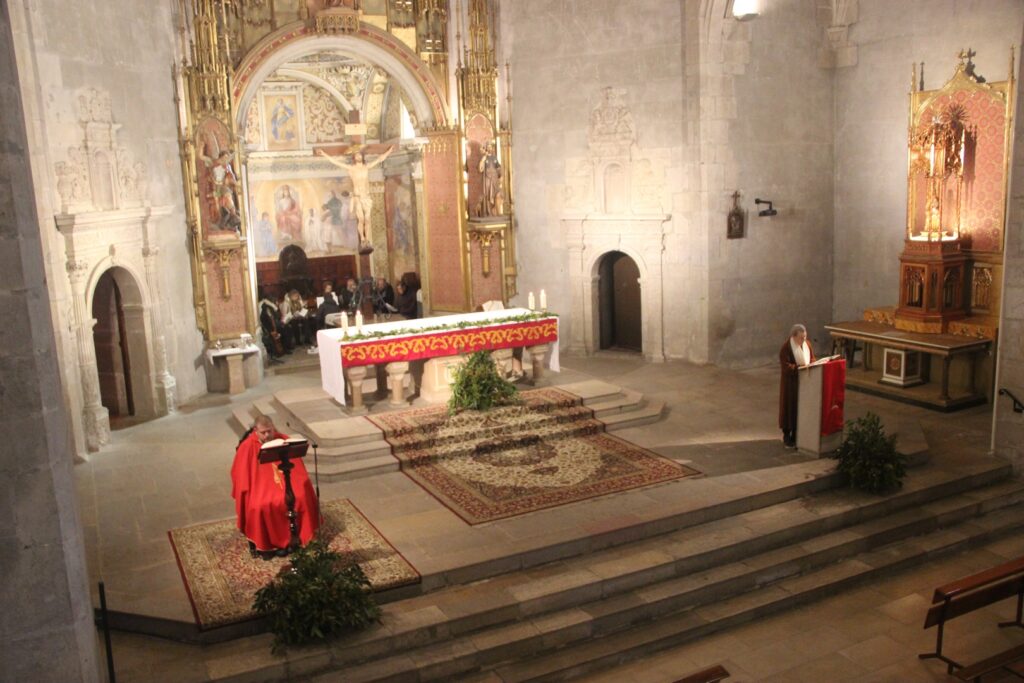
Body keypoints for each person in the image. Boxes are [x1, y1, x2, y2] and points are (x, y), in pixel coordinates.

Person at [230, 415, 320, 558]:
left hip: (287, 484)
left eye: (270, 431)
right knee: (261, 505)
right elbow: (240, 475)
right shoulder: (247, 447)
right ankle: (270, 545)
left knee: (301, 497)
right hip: (260, 487)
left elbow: (298, 469)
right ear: (255, 431)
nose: (267, 435)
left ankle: (297, 539)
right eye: (263, 432)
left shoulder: (283, 440)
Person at [315, 146, 395, 252]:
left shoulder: (366, 167)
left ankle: (368, 240)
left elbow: (379, 159)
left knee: (367, 220)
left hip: (366, 197)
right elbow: (336, 162)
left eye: (360, 155)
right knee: (361, 220)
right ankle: (362, 239)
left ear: (362, 157)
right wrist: (324, 154)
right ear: (354, 158)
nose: (358, 157)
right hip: (357, 197)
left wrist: (389, 151)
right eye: (356, 155)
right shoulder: (351, 169)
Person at [779, 323, 815, 448]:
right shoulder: (786, 348)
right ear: (793, 337)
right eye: (801, 338)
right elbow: (786, 366)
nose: (803, 340)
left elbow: (812, 359)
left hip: (804, 383)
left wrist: (813, 365)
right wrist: (799, 368)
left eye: (805, 337)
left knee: (799, 409)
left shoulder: (807, 345)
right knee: (790, 409)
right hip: (791, 384)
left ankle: (797, 434)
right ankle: (787, 435)